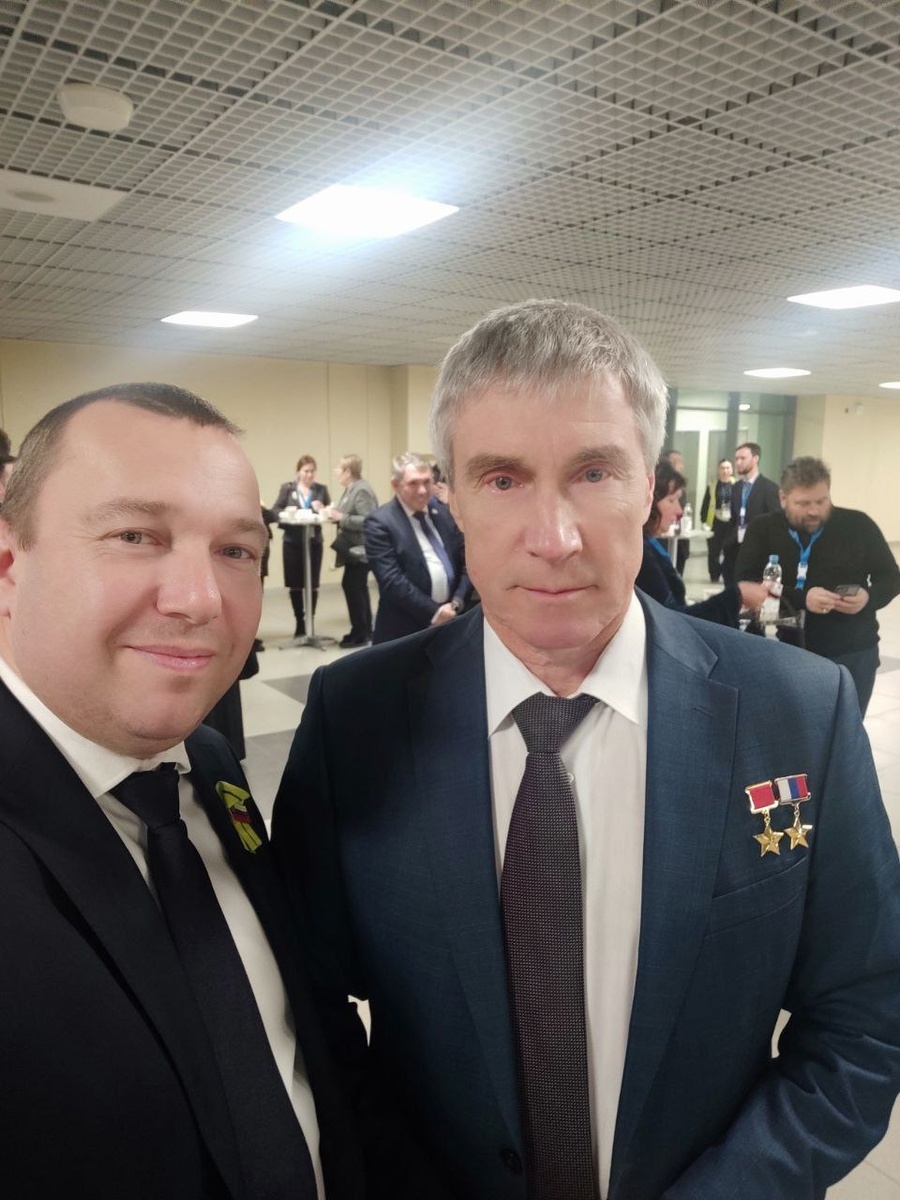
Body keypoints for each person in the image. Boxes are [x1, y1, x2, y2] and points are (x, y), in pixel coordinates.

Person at [273, 299, 900, 1200]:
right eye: (501, 479)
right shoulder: (355, 718)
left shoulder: (800, 711)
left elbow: (866, 1016)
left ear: (652, 490)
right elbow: (307, 1008)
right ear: (451, 498)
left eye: (595, 472)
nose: (554, 539)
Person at [0, 383, 363, 1199]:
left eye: (235, 551)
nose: (200, 601)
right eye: (135, 536)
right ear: (9, 565)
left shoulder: (207, 765)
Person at [735, 455, 900, 716]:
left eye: (822, 501)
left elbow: (891, 577)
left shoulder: (858, 525)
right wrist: (802, 599)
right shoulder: (764, 528)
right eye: (804, 503)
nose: (814, 511)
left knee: (846, 730)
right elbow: (745, 582)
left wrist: (868, 597)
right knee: (793, 728)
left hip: (853, 652)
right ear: (783, 498)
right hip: (789, 648)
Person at [637, 458, 769, 625]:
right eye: (671, 500)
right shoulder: (641, 555)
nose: (679, 510)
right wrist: (737, 595)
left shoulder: (648, 545)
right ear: (649, 501)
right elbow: (673, 621)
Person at [365, 451, 470, 644]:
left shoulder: (444, 515)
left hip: (452, 622)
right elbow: (391, 580)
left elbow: (466, 562)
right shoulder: (380, 523)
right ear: (395, 485)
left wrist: (456, 603)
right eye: (413, 483)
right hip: (405, 629)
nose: (422, 490)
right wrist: (435, 612)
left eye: (427, 482)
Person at [273, 456, 331, 639]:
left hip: (314, 542)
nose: (309, 475)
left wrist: (322, 509)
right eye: (306, 471)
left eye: (312, 471)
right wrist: (288, 513)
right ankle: (299, 622)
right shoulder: (288, 488)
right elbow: (275, 510)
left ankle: (310, 621)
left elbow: (329, 512)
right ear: (298, 471)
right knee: (295, 583)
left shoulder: (321, 490)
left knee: (312, 583)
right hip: (292, 542)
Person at [326, 454, 377, 647]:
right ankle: (363, 630)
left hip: (361, 549)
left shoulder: (361, 489)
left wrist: (342, 518)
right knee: (356, 587)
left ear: (348, 471)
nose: (336, 472)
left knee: (353, 587)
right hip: (352, 549)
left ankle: (361, 632)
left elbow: (369, 520)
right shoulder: (351, 489)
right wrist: (335, 515)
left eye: (339, 469)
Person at [721, 441, 781, 585]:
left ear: (755, 459)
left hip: (758, 551)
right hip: (735, 550)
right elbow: (733, 519)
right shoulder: (736, 488)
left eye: (743, 458)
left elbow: (775, 520)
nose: (738, 462)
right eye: (737, 458)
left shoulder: (769, 488)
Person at [701, 457, 734, 582]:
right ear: (718, 470)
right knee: (713, 551)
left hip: (731, 522)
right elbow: (705, 505)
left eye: (727, 468)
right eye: (722, 468)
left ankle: (727, 575)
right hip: (715, 521)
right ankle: (714, 575)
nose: (725, 471)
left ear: (731, 470)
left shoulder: (737, 485)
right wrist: (704, 521)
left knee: (730, 551)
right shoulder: (712, 486)